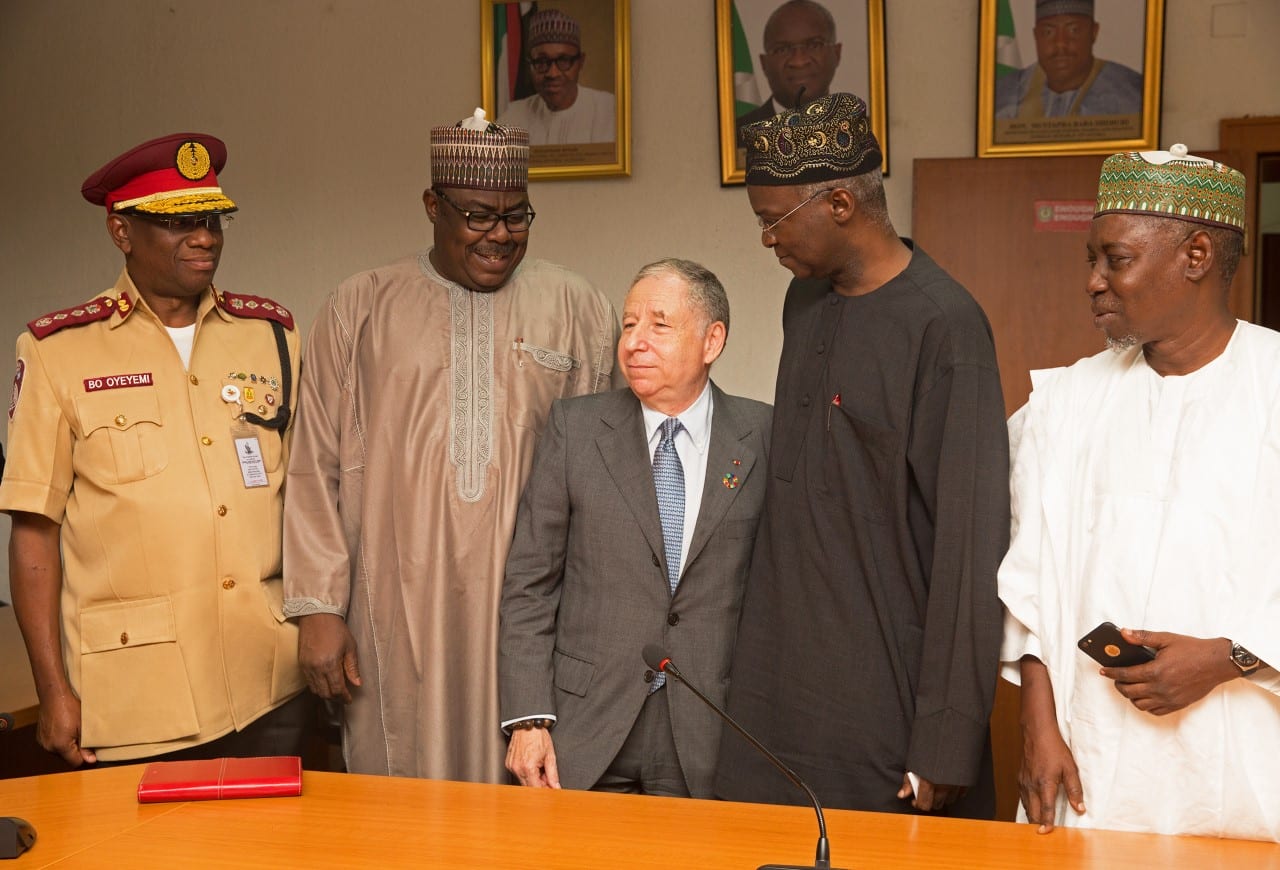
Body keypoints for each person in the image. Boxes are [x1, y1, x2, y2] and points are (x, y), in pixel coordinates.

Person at [282, 110, 622, 783]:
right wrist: (318, 607)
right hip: (394, 608)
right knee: (398, 802)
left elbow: (610, 477)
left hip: (535, 615)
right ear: (432, 206)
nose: (500, 235)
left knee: (533, 810)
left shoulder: (580, 308)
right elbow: (313, 464)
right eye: (478, 216)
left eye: (517, 216)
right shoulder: (359, 307)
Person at [717, 93, 1009, 817]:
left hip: (885, 700)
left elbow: (970, 546)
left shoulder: (946, 327)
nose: (766, 241)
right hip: (779, 691)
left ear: (841, 203)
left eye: (773, 221)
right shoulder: (804, 300)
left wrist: (946, 739)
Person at [999, 145, 1280, 841]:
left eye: (1115, 260)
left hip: (1244, 767)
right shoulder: (1065, 404)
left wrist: (1228, 657)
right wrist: (1037, 729)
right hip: (1094, 764)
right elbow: (1028, 584)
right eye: (1090, 261)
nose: (1093, 282)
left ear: (1196, 256)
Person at [0, 133, 307, 766]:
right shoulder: (59, 352)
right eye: (178, 222)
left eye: (213, 219)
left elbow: (316, 502)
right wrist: (52, 692)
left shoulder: (271, 335)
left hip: (270, 683)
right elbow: (33, 534)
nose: (206, 237)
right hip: (136, 697)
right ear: (121, 231)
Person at [499, 259, 771, 797]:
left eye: (659, 325)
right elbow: (529, 583)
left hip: (710, 731)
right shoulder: (576, 429)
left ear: (711, 340)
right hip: (583, 728)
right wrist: (529, 719)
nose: (635, 342)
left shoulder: (763, 434)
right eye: (628, 324)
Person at [994, 0, 1142, 121]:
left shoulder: (1133, 96)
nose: (1060, 43)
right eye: (1048, 32)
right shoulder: (1003, 95)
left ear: (1094, 32)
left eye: (1074, 30)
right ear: (1036, 35)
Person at [498, 9, 615, 146]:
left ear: (580, 62)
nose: (552, 73)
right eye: (542, 62)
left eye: (564, 60)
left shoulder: (610, 110)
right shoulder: (514, 116)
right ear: (530, 64)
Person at [735, 1, 843, 136]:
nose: (799, 61)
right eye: (782, 49)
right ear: (764, 63)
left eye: (814, 45)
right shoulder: (733, 137)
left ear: (837, 53)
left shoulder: (867, 133)